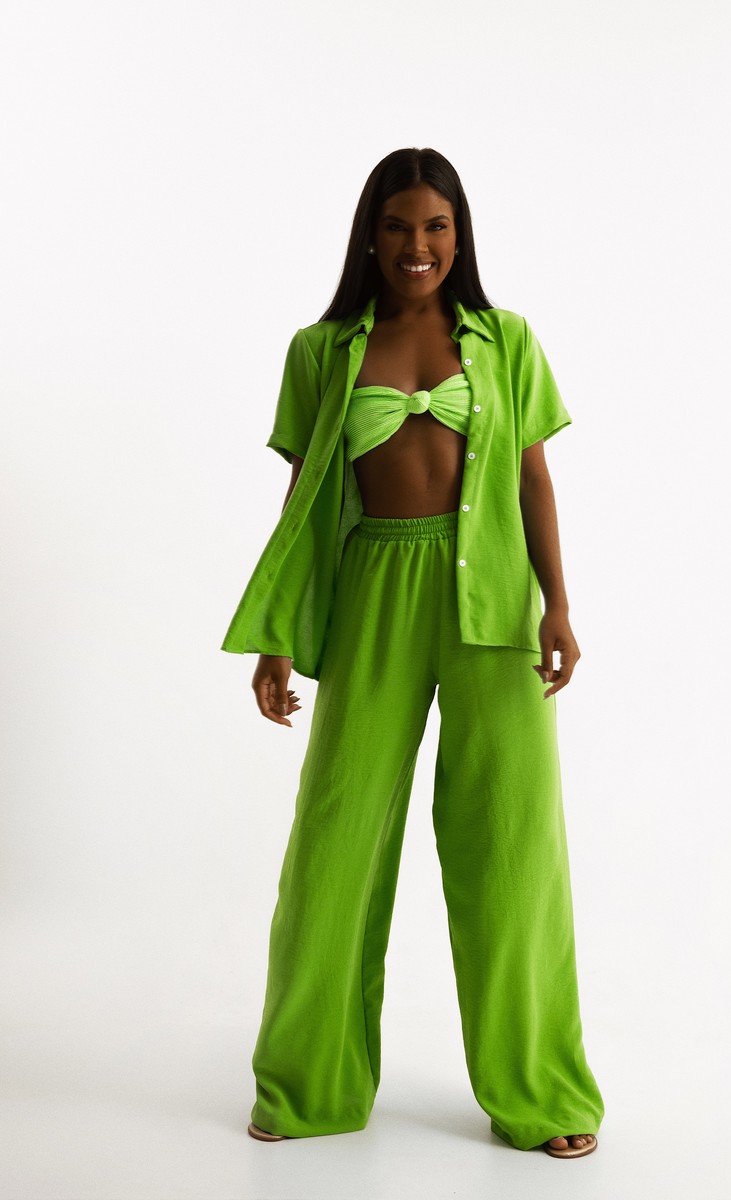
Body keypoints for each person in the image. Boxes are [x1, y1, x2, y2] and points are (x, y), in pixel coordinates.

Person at [221, 147, 605, 1158]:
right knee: (335, 841)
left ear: (459, 237)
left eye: (435, 227)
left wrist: (559, 606)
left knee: (511, 850)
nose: (417, 246)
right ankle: (308, 1083)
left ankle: (540, 1092)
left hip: (494, 603)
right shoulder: (321, 350)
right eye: (397, 227)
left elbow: (532, 479)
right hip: (373, 594)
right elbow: (304, 499)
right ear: (370, 236)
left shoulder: (505, 340)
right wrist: (277, 636)